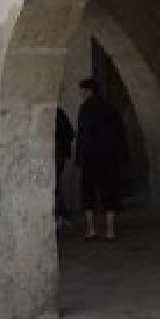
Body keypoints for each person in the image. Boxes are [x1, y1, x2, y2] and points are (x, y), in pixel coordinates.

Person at [74, 79, 126, 243]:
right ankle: (110, 230)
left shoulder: (85, 109)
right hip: (109, 157)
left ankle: (91, 230)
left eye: (82, 91)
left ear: (89, 91)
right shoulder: (110, 108)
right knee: (110, 192)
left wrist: (80, 158)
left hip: (90, 157)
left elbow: (83, 135)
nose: (81, 94)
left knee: (88, 193)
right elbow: (119, 134)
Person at [53, 108, 76, 232]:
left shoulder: (57, 113)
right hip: (59, 153)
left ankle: (61, 215)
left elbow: (69, 133)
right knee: (56, 185)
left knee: (55, 186)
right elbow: (70, 133)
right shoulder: (59, 112)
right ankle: (62, 215)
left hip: (57, 153)